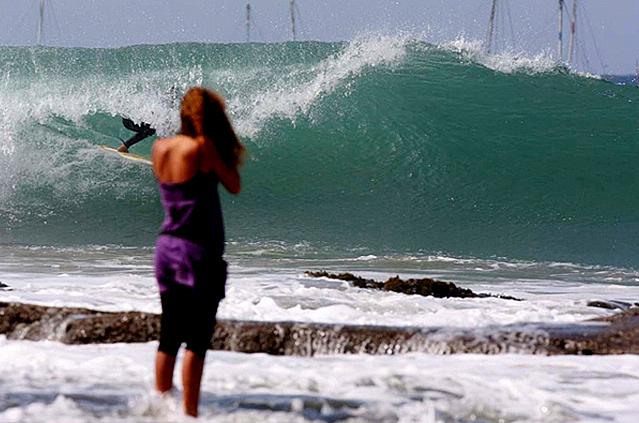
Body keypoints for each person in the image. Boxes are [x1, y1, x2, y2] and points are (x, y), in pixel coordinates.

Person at [152, 87, 244, 417]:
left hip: (166, 249)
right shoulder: (203, 149)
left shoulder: (160, 148)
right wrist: (214, 143)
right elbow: (234, 184)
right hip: (198, 252)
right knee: (197, 339)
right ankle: (190, 414)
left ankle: (160, 408)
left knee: (170, 332)